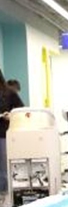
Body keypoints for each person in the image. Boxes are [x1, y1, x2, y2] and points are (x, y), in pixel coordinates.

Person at [0, 69, 25, 200]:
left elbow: (21, 111)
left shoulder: (9, 93)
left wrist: (11, 115)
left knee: (3, 168)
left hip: (3, 134)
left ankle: (4, 195)